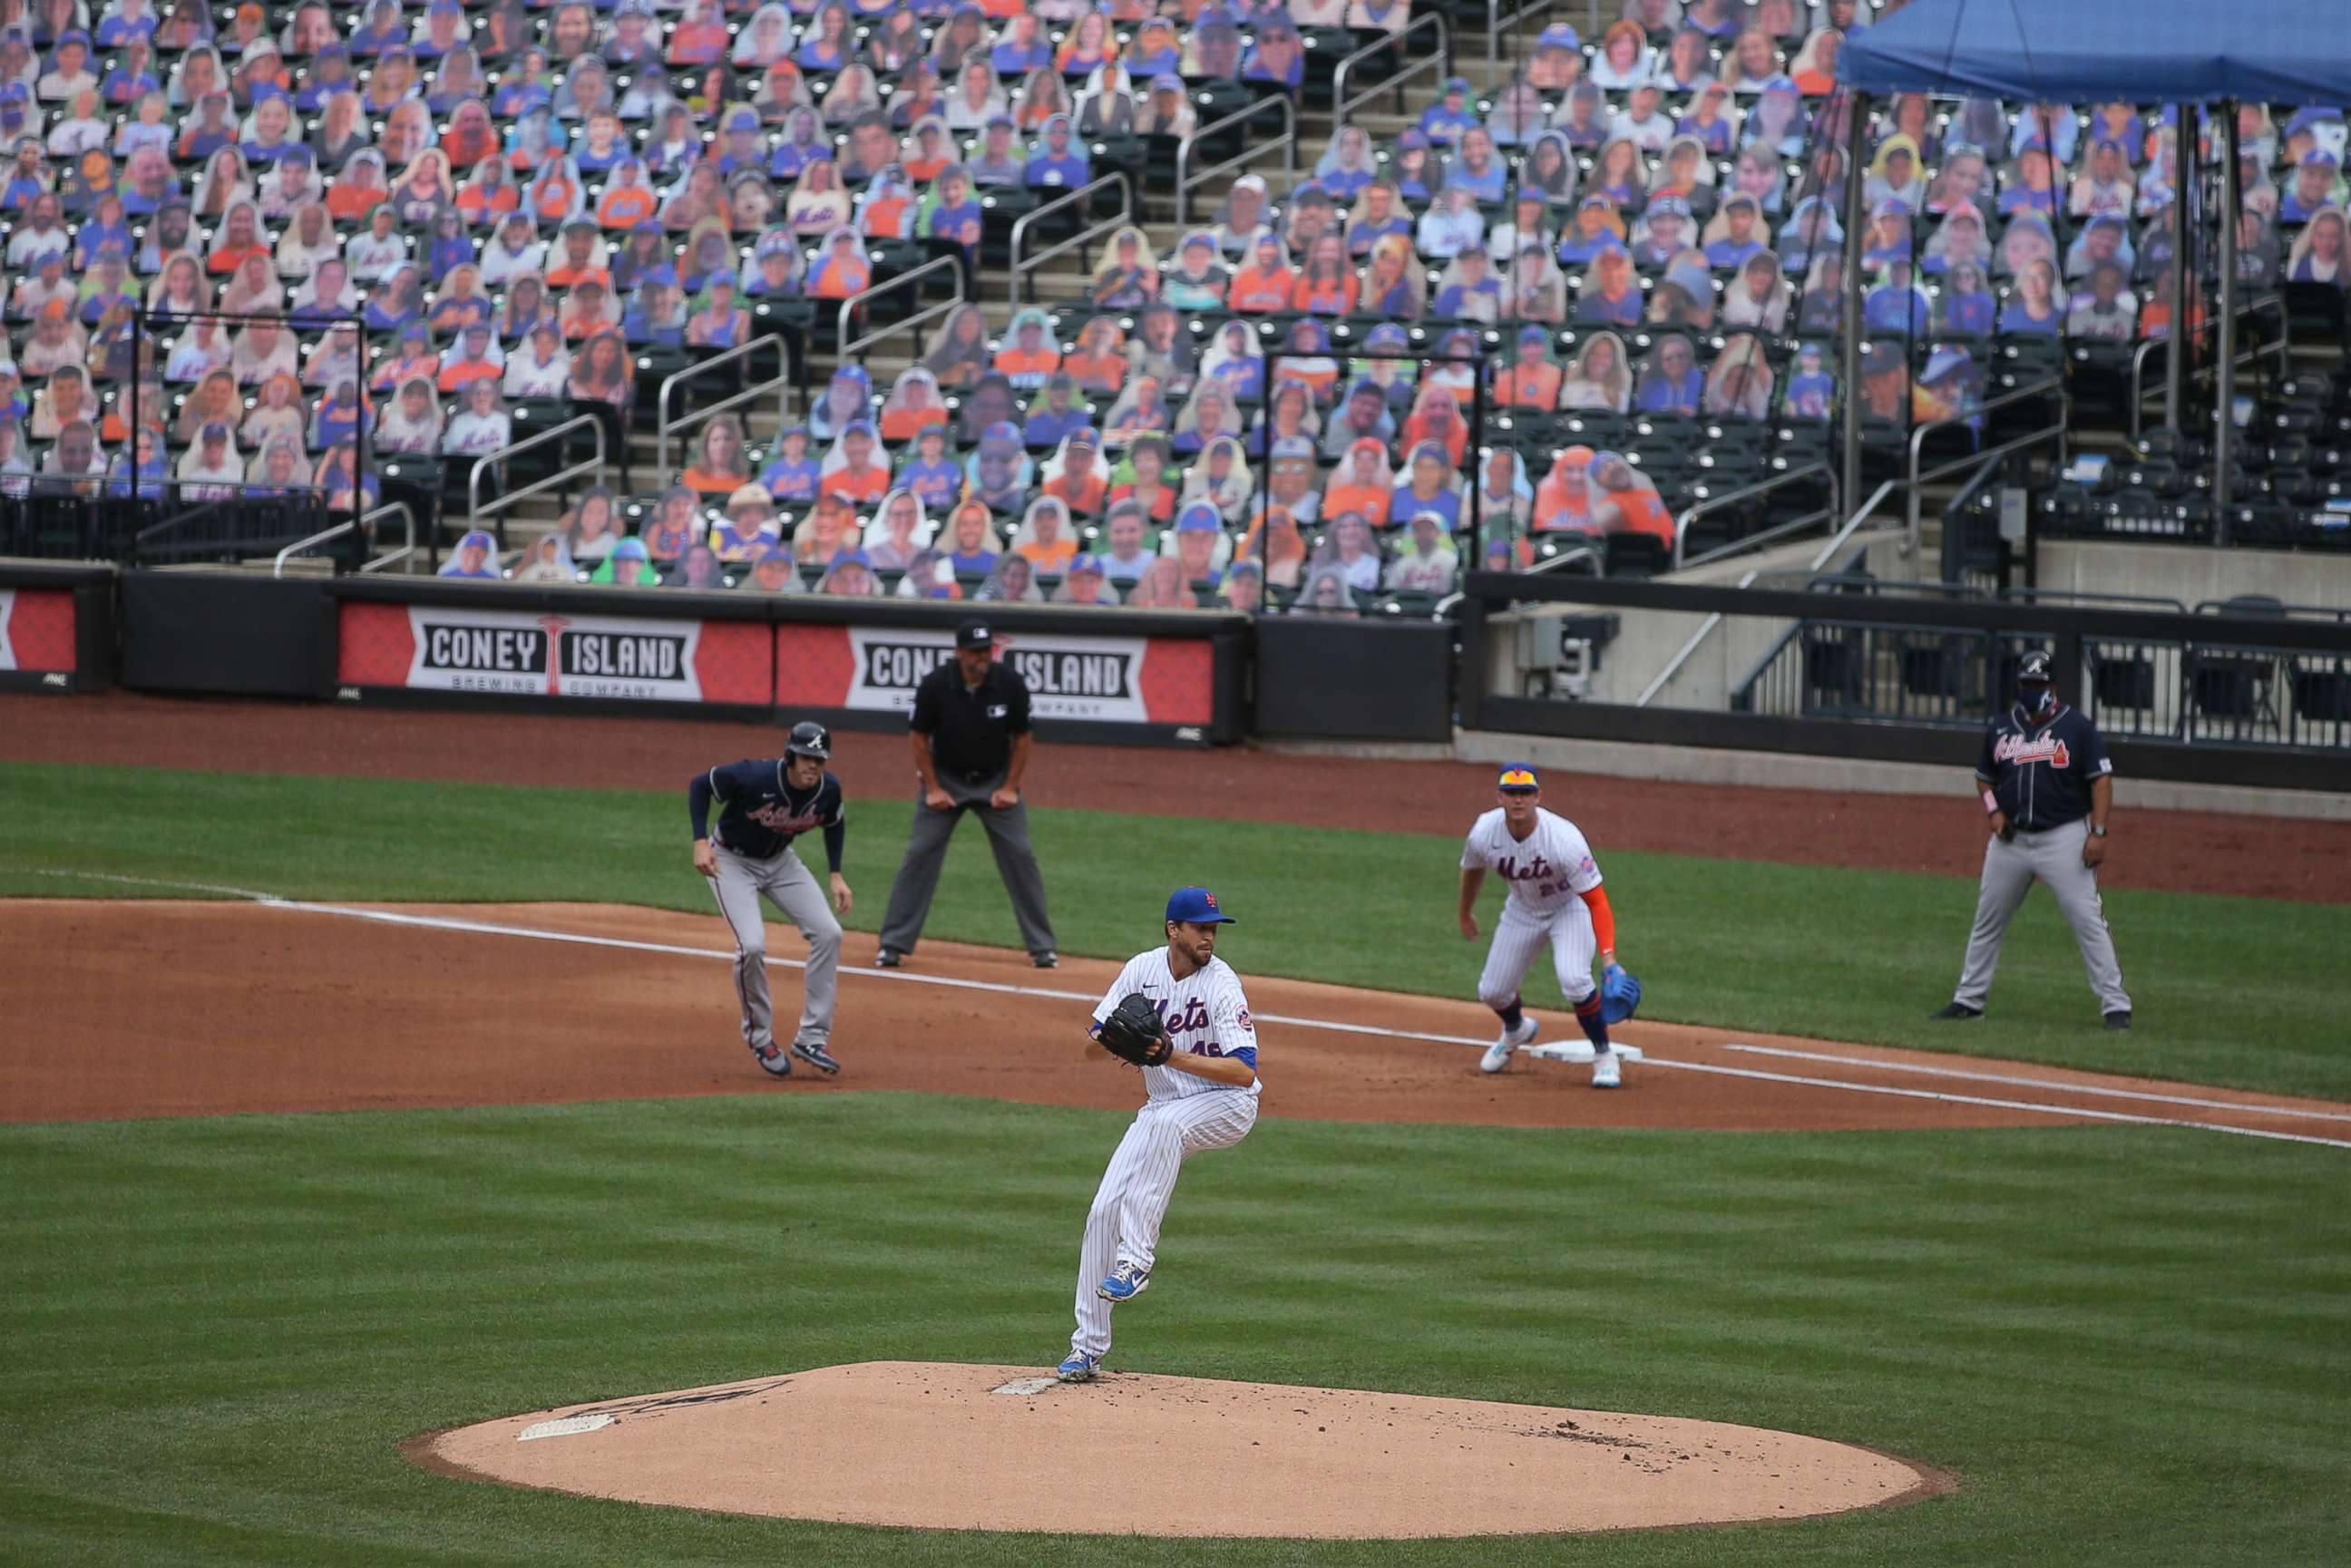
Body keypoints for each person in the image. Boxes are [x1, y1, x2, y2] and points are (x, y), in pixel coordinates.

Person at [1055, 885, 1259, 1384]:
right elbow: (1088, 1049)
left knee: (1169, 1125)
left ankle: (1136, 1262)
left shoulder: (1222, 983)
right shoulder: (1141, 971)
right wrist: (1110, 1038)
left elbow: (1244, 1071)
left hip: (1228, 1104)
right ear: (1174, 930)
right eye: (1200, 928)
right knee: (1103, 1210)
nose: (1209, 936)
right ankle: (1086, 1349)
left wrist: (1169, 1056)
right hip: (1164, 1105)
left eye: (1214, 928)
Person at [1932, 650, 2132, 1030]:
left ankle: (2116, 1006)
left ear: (2053, 687)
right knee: (1987, 921)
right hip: (2011, 842)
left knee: (2088, 920)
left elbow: (2101, 781)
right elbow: (1984, 779)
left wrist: (2099, 832)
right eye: (2025, 684)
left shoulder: (2077, 728)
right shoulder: (2001, 728)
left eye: (2038, 685)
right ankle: (1968, 1000)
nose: (2031, 691)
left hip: (2064, 838)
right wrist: (1993, 812)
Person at [874, 618, 1058, 969]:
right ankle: (893, 943)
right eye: (974, 652)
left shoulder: (1009, 683)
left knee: (1020, 853)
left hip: (995, 779)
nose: (982, 657)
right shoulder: (935, 685)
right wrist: (931, 787)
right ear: (958, 652)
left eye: (986, 650)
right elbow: (918, 736)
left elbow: (1023, 737)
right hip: (946, 779)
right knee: (919, 852)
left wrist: (1009, 787)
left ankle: (1042, 947)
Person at [688, 720, 854, 1076]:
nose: (813, 765)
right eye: (806, 757)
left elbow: (834, 822)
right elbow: (700, 785)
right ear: (791, 756)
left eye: (819, 759)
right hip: (729, 862)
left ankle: (812, 1037)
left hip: (780, 863)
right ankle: (759, 1036)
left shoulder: (828, 790)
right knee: (752, 946)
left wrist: (836, 874)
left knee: (829, 932)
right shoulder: (753, 776)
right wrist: (700, 841)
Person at [1458, 763, 1630, 1088]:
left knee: (1575, 980)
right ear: (1499, 797)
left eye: (1525, 793)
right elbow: (1472, 869)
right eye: (1511, 793)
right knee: (1492, 991)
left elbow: (1597, 900)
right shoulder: (1484, 832)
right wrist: (1465, 913)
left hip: (1570, 908)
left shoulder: (1564, 839)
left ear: (1539, 796)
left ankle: (1604, 1055)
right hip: (1522, 910)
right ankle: (1516, 1030)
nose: (1518, 800)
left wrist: (1609, 957)